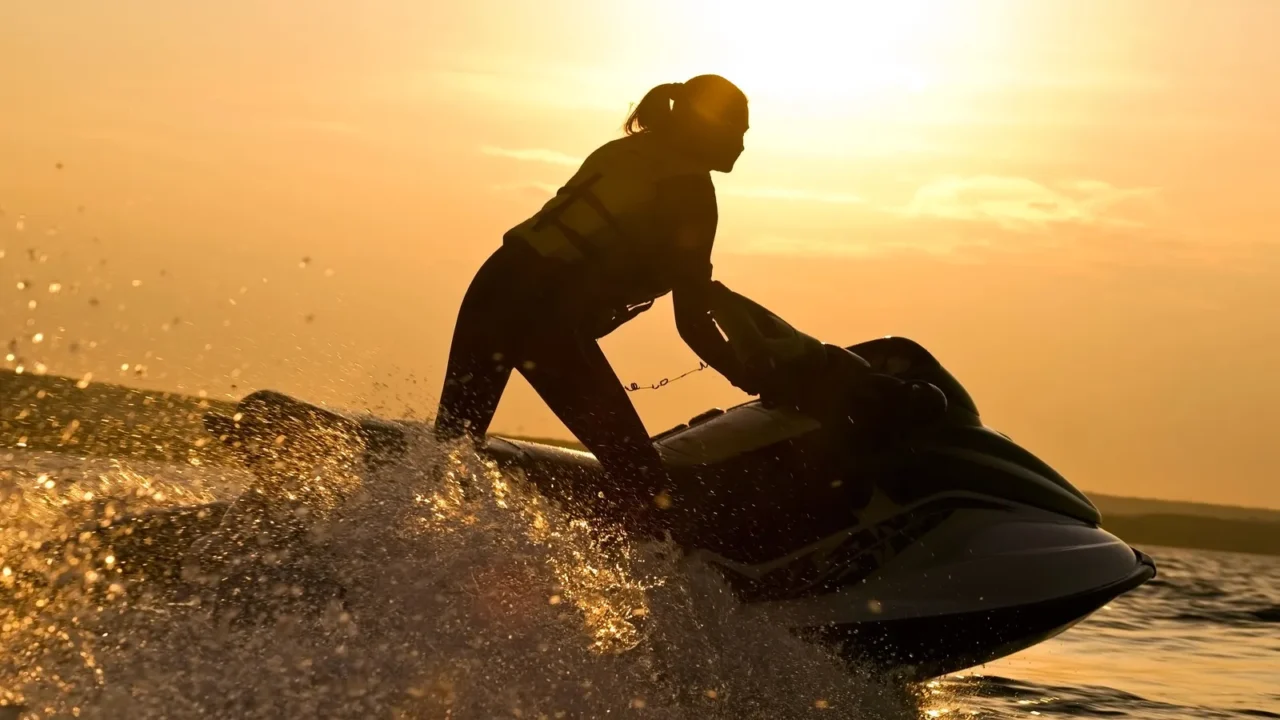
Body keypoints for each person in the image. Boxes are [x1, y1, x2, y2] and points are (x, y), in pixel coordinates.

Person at [433, 74, 760, 528]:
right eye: (737, 131)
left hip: (493, 287)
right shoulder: (690, 193)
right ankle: (604, 570)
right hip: (545, 322)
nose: (743, 146)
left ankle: (395, 548)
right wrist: (754, 379)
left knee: (451, 446)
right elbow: (692, 322)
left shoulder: (623, 152)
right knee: (648, 490)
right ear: (706, 127)